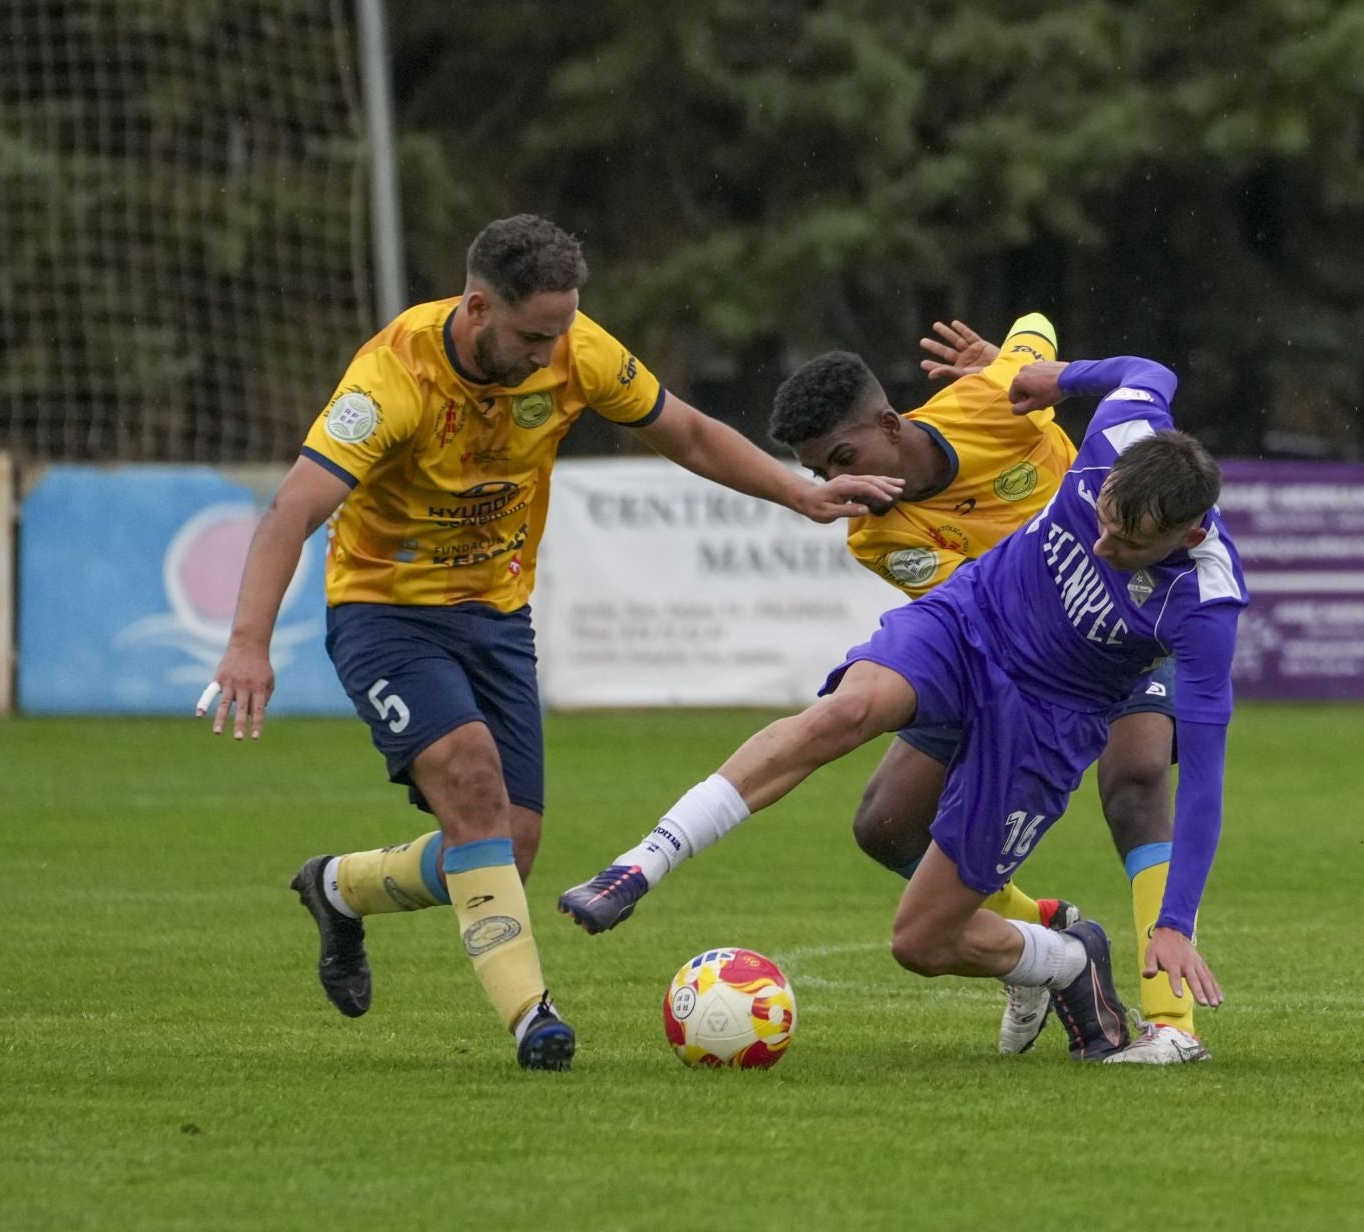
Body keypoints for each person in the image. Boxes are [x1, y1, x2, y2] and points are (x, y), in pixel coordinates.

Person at [197, 215, 899, 1070]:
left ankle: (337, 887)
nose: (551, 351)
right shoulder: (390, 379)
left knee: (505, 846)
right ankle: (535, 1019)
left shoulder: (576, 348)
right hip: (387, 612)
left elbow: (684, 430)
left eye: (563, 328)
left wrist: (799, 493)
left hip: (496, 615)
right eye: (534, 333)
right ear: (478, 305)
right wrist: (247, 642)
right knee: (470, 780)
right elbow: (293, 509)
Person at [560, 352, 1246, 1062]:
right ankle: (642, 862)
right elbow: (1152, 371)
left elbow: (1202, 775)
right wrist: (1061, 378)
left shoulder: (1204, 606)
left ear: (1188, 534)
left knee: (920, 942)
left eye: (1127, 544)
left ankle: (1066, 961)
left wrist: (1174, 921)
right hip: (973, 614)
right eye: (1099, 519)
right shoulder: (1119, 430)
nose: (1102, 544)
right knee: (842, 713)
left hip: (1048, 714)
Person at [736, 313, 1205, 1063]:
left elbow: (1037, 329)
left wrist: (1016, 373)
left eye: (844, 459)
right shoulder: (874, 533)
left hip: (1124, 618)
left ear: (890, 426)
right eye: (826, 474)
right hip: (1009, 649)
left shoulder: (986, 403)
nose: (841, 485)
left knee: (1138, 777)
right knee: (885, 824)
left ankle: (1172, 1023)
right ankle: (1038, 934)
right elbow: (985, 608)